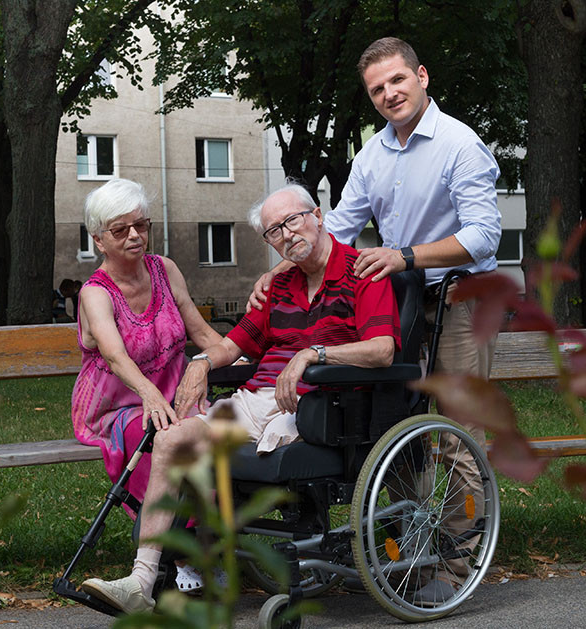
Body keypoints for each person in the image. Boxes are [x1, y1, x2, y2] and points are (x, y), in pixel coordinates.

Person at [248, 37, 502, 605]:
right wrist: (280, 268)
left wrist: (406, 255)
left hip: (459, 297)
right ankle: (408, 551)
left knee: (457, 435)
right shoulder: (372, 155)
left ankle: (457, 567)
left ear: (422, 76)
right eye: (377, 89)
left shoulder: (460, 144)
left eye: (397, 81)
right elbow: (334, 228)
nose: (389, 94)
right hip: (403, 298)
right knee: (394, 430)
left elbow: (486, 235)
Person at [80, 183, 401, 613]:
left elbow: (382, 349)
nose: (286, 234)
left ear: (318, 216)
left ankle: (206, 557)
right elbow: (233, 345)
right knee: (174, 440)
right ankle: (141, 582)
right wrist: (201, 364)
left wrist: (313, 354)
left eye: (292, 220)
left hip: (326, 406)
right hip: (255, 400)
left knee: (234, 441)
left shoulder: (363, 270)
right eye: (274, 231)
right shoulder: (280, 283)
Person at [70, 178, 224, 601]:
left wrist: (233, 356)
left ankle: (206, 547)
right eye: (121, 230)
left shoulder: (164, 268)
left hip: (176, 392)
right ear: (99, 239)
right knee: (157, 435)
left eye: (141, 225)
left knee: (205, 434)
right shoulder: (95, 293)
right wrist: (149, 396)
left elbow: (198, 327)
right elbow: (117, 357)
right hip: (116, 403)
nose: (135, 236)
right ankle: (185, 554)